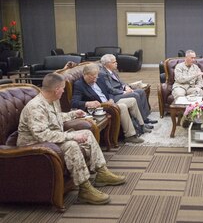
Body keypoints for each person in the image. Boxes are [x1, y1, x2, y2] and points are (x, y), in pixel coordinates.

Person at [17, 73, 126, 205]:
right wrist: (72, 136)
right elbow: (41, 135)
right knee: (72, 145)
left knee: (87, 133)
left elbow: (54, 118)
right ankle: (85, 189)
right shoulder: (36, 107)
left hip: (49, 139)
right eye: (62, 88)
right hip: (34, 146)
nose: (63, 91)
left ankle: (102, 173)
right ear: (56, 89)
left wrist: (73, 114)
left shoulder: (52, 100)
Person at [71, 63, 148, 144]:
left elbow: (108, 91)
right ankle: (130, 135)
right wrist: (87, 103)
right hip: (101, 107)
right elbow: (74, 103)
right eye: (92, 77)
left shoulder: (99, 78)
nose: (95, 80)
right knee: (122, 106)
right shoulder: (79, 84)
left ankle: (141, 126)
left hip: (110, 102)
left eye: (96, 76)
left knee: (132, 100)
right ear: (85, 74)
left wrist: (111, 99)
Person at [99, 54, 157, 125]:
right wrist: (124, 92)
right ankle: (143, 120)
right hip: (115, 95)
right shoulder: (102, 74)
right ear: (107, 64)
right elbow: (110, 89)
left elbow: (121, 81)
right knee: (135, 95)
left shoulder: (112, 70)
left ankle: (146, 115)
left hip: (121, 90)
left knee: (141, 91)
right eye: (114, 62)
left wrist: (126, 86)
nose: (116, 63)